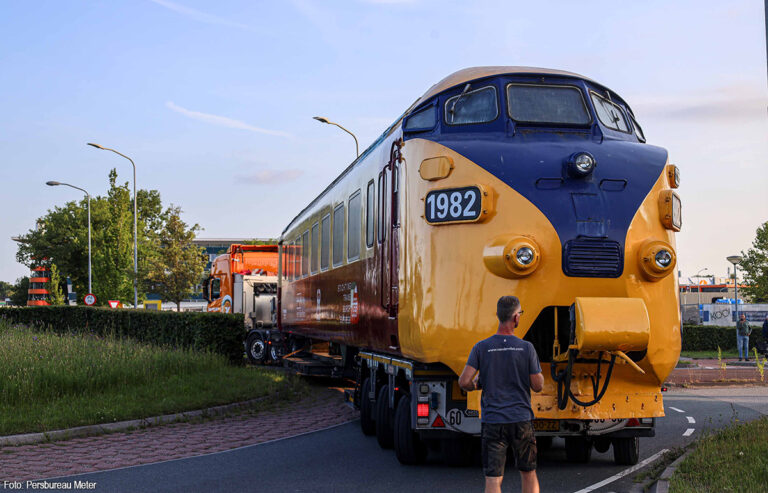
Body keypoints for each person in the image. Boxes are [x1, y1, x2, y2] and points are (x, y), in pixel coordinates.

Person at [459, 296, 544, 493]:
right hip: (521, 420)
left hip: (493, 421)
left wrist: (476, 385)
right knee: (528, 473)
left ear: (498, 316)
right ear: (515, 318)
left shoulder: (482, 347)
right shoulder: (526, 348)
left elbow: (464, 382)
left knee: (493, 479)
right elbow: (537, 385)